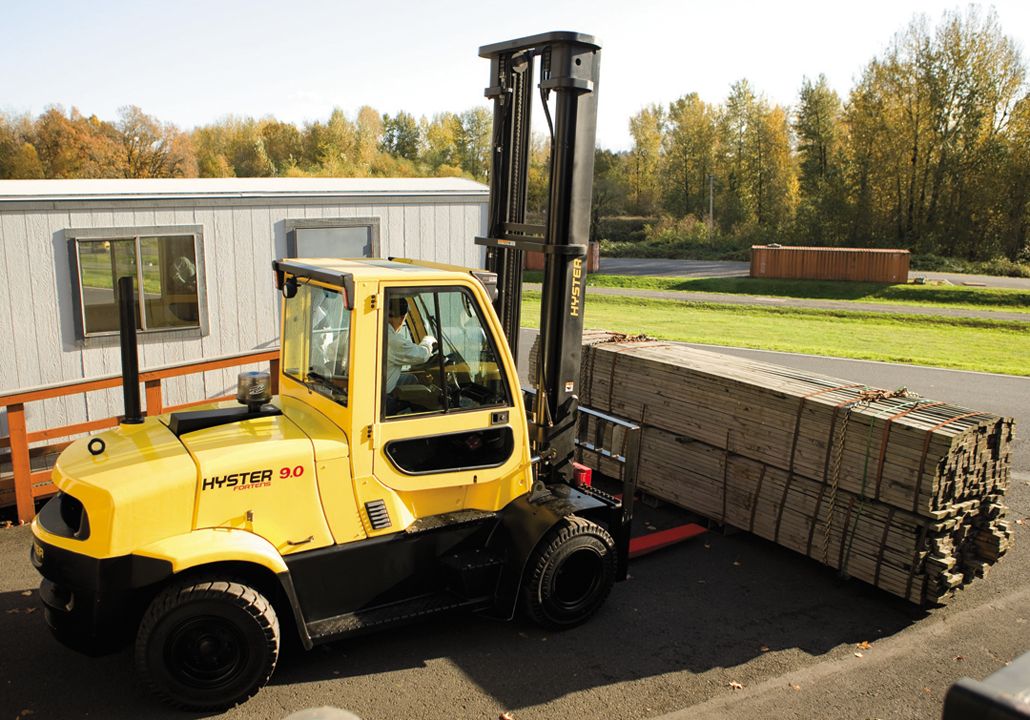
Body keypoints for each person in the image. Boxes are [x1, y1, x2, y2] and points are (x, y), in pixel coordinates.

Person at [386, 297, 436, 395]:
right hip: (382, 398)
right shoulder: (392, 339)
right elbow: (422, 355)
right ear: (402, 318)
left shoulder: (372, 330)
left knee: (411, 379)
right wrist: (429, 341)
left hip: (371, 387)